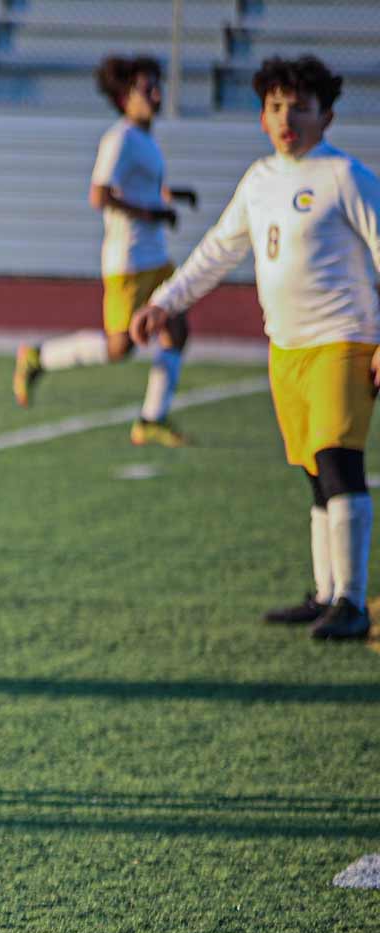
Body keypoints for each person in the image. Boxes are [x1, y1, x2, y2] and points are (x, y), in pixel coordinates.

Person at [136, 55, 379, 640]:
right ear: (262, 117)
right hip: (286, 349)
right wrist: (166, 301)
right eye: (275, 106)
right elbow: (218, 250)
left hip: (341, 340)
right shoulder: (259, 180)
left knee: (339, 460)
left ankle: (351, 600)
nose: (286, 117)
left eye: (300, 106)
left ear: (328, 115)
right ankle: (325, 592)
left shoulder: (345, 177)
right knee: (313, 471)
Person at [13, 54, 200, 445]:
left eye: (155, 85)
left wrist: (170, 197)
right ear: (123, 99)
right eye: (143, 88)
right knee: (119, 347)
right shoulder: (120, 138)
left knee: (176, 329)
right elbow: (99, 195)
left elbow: (141, 189)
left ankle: (151, 418)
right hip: (129, 259)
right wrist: (150, 212)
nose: (154, 93)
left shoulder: (145, 138)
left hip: (156, 256)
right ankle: (39, 356)